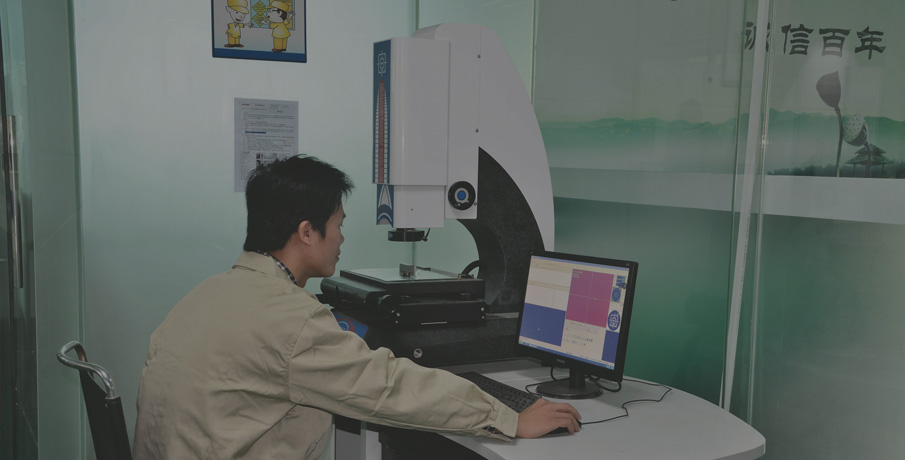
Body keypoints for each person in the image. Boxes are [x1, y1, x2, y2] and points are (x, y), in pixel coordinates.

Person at [132, 155, 580, 459]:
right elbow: (387, 388)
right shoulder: (291, 321)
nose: (342, 238)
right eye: (338, 225)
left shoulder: (207, 293)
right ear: (307, 232)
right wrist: (506, 417)